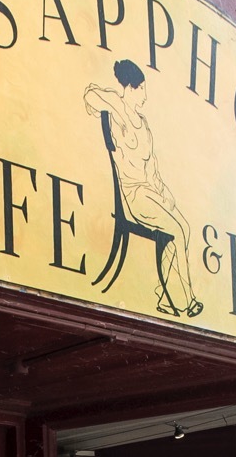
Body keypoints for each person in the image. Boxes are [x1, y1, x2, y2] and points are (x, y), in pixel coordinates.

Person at [83, 59, 202, 317]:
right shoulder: (117, 110)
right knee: (177, 231)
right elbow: (90, 95)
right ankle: (187, 299)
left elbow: (152, 169)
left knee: (184, 227)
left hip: (150, 192)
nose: (145, 96)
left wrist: (166, 196)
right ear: (130, 88)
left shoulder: (144, 124)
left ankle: (166, 298)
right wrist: (117, 105)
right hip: (132, 195)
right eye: (141, 90)